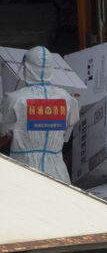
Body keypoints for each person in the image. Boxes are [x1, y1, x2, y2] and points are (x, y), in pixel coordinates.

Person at [0, 46, 80, 183]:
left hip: (24, 169)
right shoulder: (66, 99)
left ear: (27, 68)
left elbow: (3, 130)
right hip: (57, 171)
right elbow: (73, 120)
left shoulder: (15, 99)